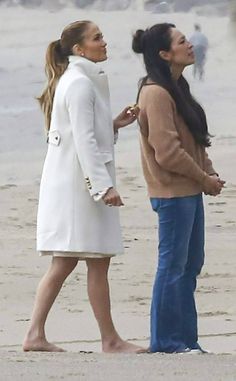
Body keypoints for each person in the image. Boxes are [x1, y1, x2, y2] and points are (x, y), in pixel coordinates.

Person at [23, 20, 143, 353]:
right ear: (79, 50)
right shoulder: (79, 83)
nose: (104, 42)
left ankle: (36, 334)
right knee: (89, 258)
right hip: (79, 187)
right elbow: (84, 141)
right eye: (97, 38)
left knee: (69, 260)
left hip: (74, 184)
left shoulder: (77, 80)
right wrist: (103, 187)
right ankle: (109, 340)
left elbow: (85, 130)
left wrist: (113, 123)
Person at [132, 23, 225, 353]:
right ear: (164, 53)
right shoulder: (155, 92)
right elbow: (167, 151)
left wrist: (208, 174)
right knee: (172, 266)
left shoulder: (176, 86)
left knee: (190, 265)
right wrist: (203, 178)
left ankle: (186, 340)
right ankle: (166, 341)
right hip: (172, 193)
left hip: (190, 191)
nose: (190, 46)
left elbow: (194, 141)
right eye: (182, 41)